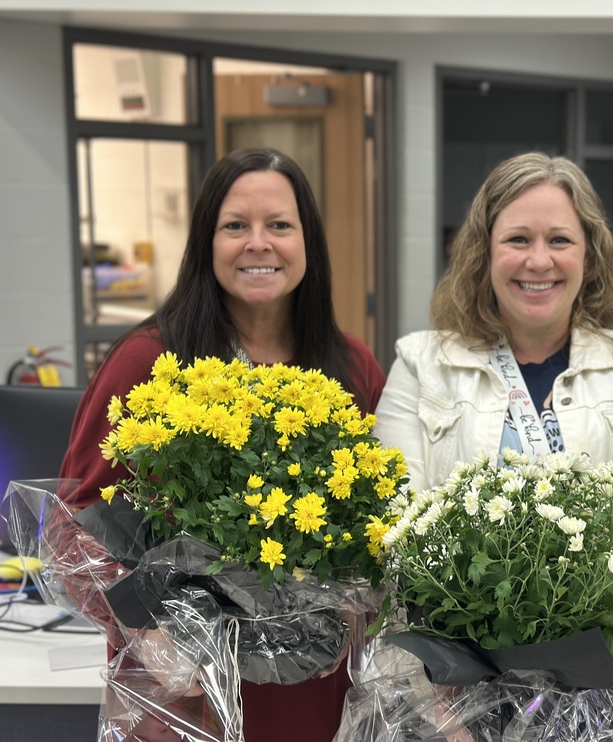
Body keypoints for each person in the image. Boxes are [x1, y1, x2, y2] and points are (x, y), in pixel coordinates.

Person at [58, 147, 386, 742]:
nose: (258, 243)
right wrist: (148, 631)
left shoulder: (351, 367)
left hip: (312, 692)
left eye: (279, 225)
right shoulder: (149, 361)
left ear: (307, 241)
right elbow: (76, 525)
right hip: (183, 693)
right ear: (206, 243)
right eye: (235, 226)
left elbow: (382, 523)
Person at [373, 152, 613, 742]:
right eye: (517, 239)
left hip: (601, 692)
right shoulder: (420, 364)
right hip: (449, 694)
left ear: (589, 255)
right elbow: (393, 532)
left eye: (560, 239)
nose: (539, 260)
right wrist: (435, 700)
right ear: (484, 253)